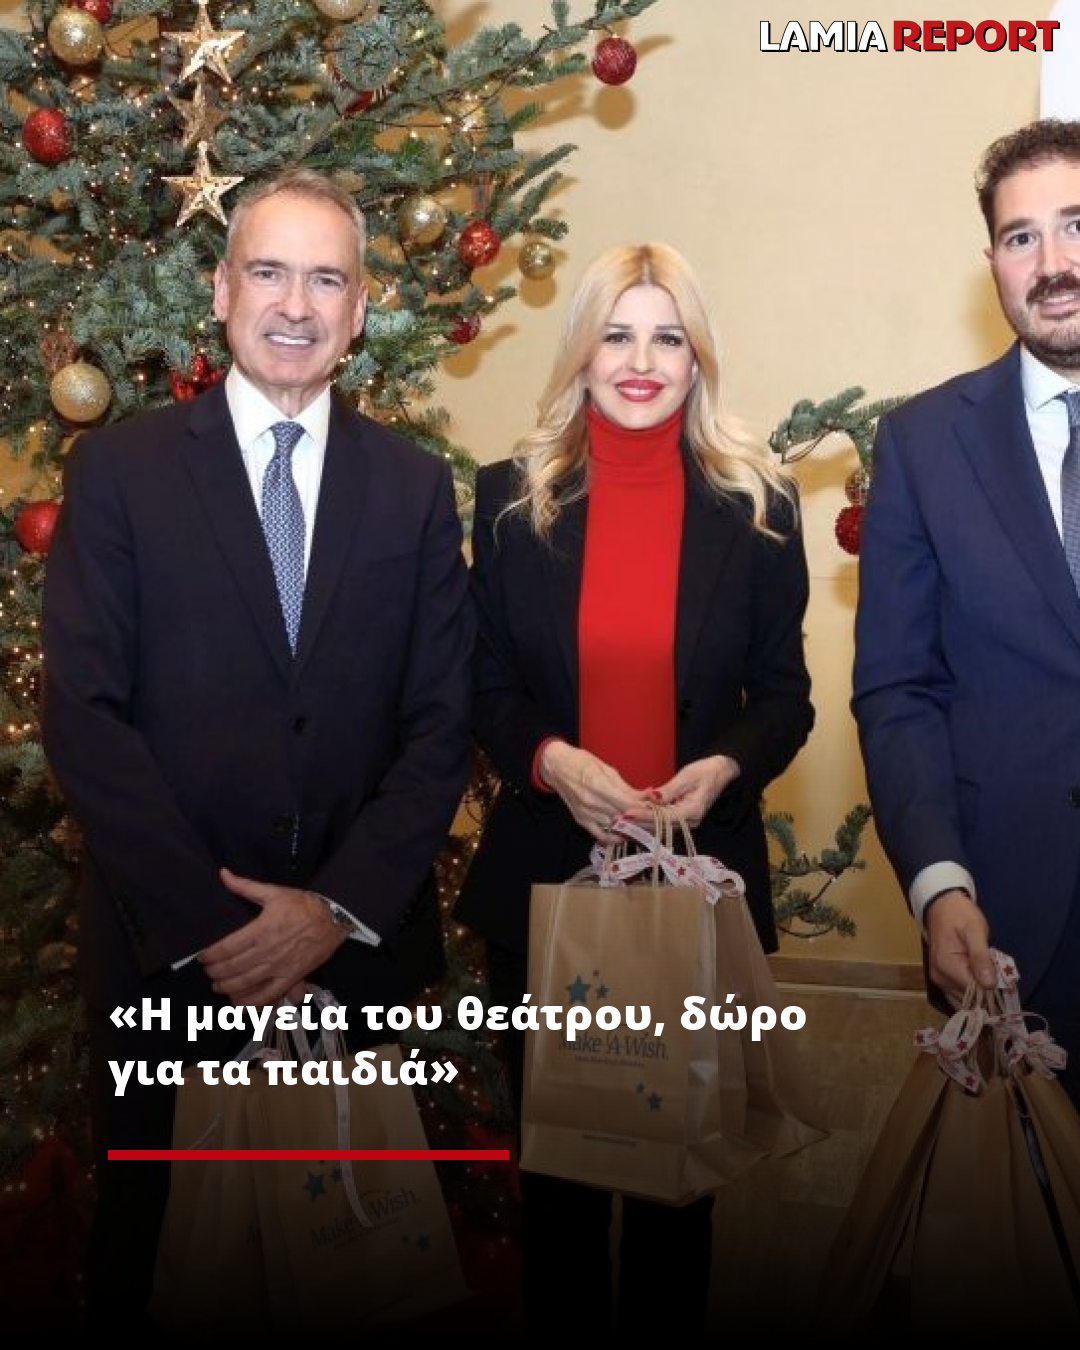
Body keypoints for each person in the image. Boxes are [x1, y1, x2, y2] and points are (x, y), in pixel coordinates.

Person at [40, 167, 474, 1331]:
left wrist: (332, 910)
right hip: (170, 961)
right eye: (269, 272)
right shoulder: (120, 473)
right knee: (156, 1268)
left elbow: (442, 722)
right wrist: (221, 928)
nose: (295, 304)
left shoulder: (414, 489)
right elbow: (84, 716)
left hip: (353, 965)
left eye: (326, 279)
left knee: (355, 1279)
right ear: (222, 291)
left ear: (361, 309)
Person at [453, 241, 815, 1342]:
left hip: (692, 889)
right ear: (583, 352)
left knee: (675, 1195)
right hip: (545, 887)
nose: (642, 362)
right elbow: (485, 685)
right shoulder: (510, 499)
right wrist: (549, 760)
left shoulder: (759, 503)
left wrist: (728, 765)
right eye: (617, 335)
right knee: (558, 1193)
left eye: (668, 338)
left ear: (698, 358)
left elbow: (786, 696)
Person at [852, 118, 1080, 1106]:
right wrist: (939, 882)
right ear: (991, 262)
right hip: (1008, 926)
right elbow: (898, 690)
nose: (1053, 263)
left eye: (1076, 224)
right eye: (1021, 236)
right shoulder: (921, 445)